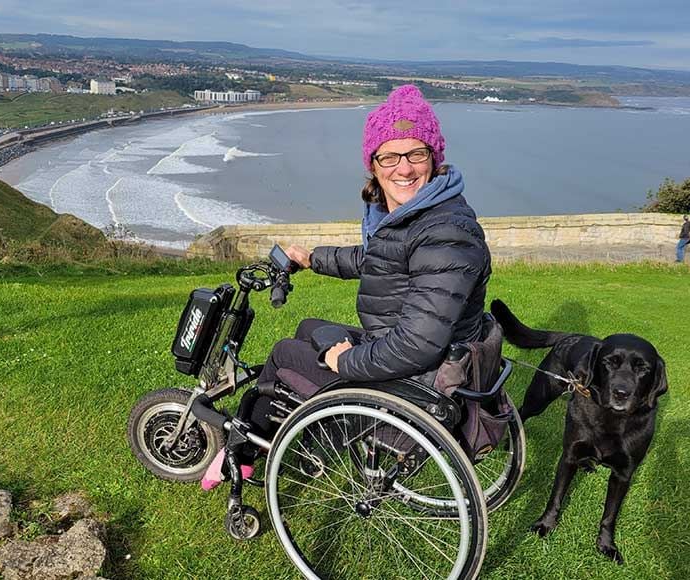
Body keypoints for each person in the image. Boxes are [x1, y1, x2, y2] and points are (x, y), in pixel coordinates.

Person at [202, 85, 492, 488]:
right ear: (374, 164)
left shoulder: (445, 233)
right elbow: (379, 260)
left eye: (416, 154)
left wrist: (347, 363)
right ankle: (274, 432)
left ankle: (247, 452)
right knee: (308, 329)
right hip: (414, 356)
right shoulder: (418, 218)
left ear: (434, 158)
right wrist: (312, 258)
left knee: (286, 353)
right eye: (390, 156)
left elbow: (417, 345)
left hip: (418, 381)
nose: (403, 169)